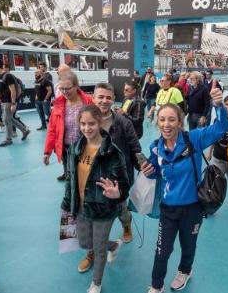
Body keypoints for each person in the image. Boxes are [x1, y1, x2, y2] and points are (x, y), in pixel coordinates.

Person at [140, 87, 228, 293]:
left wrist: (219, 106)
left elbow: (222, 127)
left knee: (188, 246)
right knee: (162, 251)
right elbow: (154, 174)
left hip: (192, 208)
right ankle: (156, 285)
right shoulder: (155, 147)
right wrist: (147, 171)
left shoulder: (194, 139)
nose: (166, 124)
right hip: (168, 210)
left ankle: (185, 271)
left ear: (180, 122)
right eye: (162, 119)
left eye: (171, 119)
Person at [61, 105, 130, 293]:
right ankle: (114, 244)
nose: (86, 128)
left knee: (98, 249)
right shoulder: (76, 148)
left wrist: (118, 194)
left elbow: (124, 183)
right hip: (81, 206)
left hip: (103, 208)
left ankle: (96, 283)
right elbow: (70, 178)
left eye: (91, 123)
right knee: (84, 243)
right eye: (82, 124)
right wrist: (67, 203)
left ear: (100, 123)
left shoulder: (112, 152)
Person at [77, 83, 140, 273]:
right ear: (93, 98)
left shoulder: (123, 122)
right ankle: (92, 253)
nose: (104, 101)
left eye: (108, 97)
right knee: (88, 220)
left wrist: (144, 166)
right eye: (100, 97)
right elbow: (76, 147)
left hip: (116, 182)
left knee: (120, 209)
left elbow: (135, 149)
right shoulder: (85, 119)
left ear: (113, 99)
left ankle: (127, 226)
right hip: (90, 181)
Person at [44, 71, 93, 181]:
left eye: (67, 88)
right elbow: (52, 129)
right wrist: (47, 152)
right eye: (62, 89)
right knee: (69, 175)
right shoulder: (58, 105)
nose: (64, 92)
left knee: (84, 176)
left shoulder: (88, 101)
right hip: (65, 148)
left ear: (76, 86)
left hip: (84, 147)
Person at [0, 59, 30, 147]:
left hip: (9, 101)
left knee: (6, 119)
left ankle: (8, 139)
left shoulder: (8, 76)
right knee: (9, 118)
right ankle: (24, 130)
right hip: (4, 101)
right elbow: (0, 91)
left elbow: (13, 91)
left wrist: (13, 103)